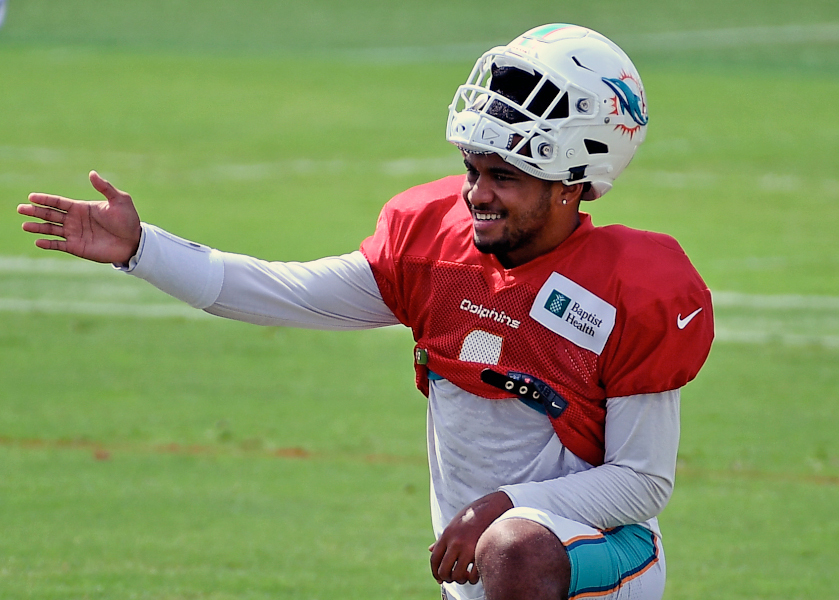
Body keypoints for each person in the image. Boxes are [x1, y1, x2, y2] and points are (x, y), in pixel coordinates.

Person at [18, 23, 713, 600]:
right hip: (484, 572)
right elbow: (280, 292)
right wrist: (142, 248)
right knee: (507, 554)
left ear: (572, 186)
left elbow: (643, 483)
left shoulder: (627, 289)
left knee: (517, 549)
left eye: (505, 177)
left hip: (590, 563)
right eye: (473, 170)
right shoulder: (433, 247)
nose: (477, 194)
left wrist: (505, 506)